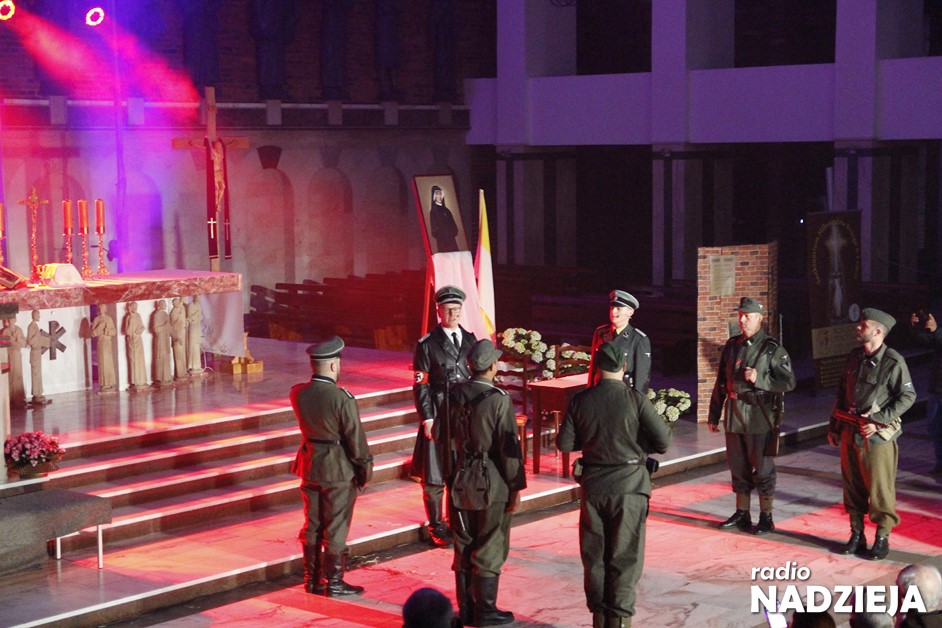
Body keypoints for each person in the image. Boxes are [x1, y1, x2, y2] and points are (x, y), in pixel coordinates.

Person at [557, 342, 672, 628]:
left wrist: (593, 440)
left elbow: (565, 444)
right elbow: (663, 442)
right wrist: (636, 442)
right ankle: (619, 621)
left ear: (597, 368)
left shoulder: (581, 400)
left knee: (595, 556)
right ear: (624, 367)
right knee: (624, 557)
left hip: (594, 486)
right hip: (630, 487)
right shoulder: (635, 400)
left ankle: (599, 618)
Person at [443, 339, 526, 627]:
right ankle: (485, 611)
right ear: (492, 367)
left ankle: (467, 609)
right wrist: (516, 486)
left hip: (459, 478)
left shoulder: (453, 394)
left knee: (463, 543)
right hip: (491, 480)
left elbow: (441, 436)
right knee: (490, 543)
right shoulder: (498, 399)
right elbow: (508, 449)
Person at [828, 308, 916, 560]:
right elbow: (841, 393)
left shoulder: (893, 361)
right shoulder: (854, 357)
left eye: (863, 325)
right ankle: (856, 534)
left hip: (876, 438)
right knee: (852, 486)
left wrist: (879, 420)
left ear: (877, 331)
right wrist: (834, 427)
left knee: (880, 489)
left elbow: (908, 396)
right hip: (850, 431)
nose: (858, 327)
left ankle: (882, 537)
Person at [290, 336, 372, 597]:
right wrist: (364, 470)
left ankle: (312, 580)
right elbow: (355, 439)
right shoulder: (341, 398)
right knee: (336, 527)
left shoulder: (298, 393)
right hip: (337, 469)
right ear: (334, 365)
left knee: (312, 524)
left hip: (310, 465)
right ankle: (334, 583)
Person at [708, 297, 796, 535]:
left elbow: (789, 382)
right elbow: (721, 381)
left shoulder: (772, 349)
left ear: (760, 318)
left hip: (759, 415)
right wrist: (714, 414)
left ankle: (766, 516)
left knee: (763, 468)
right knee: (738, 466)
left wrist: (760, 379)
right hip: (734, 413)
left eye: (748, 316)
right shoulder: (732, 345)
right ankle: (742, 512)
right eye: (740, 315)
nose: (742, 320)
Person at [411, 285, 476, 547]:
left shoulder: (470, 339)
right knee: (434, 474)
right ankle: (437, 525)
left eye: (457, 309)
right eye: (448, 309)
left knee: (461, 470)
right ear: (438, 311)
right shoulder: (427, 344)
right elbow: (421, 385)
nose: (453, 314)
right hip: (438, 412)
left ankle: (458, 521)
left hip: (463, 413)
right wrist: (427, 418)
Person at [587, 290, 651, 393]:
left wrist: (638, 399)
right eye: (611, 308)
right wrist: (589, 390)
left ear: (630, 312)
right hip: (599, 391)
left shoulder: (638, 339)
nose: (613, 312)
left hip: (623, 393)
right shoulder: (601, 332)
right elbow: (594, 367)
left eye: (618, 309)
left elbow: (642, 376)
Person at [911, 295, 942, 475]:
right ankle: (940, 463)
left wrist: (937, 330)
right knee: (934, 427)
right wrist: (915, 328)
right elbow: (928, 341)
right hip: (937, 387)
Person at [26, 310, 51, 405]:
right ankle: (36, 394)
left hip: (38, 352)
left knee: (38, 374)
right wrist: (37, 336)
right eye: (38, 315)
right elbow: (30, 341)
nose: (39, 317)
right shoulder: (31, 327)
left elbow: (38, 338)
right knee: (35, 374)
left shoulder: (35, 326)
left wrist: (45, 340)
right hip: (34, 353)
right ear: (34, 316)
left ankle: (39, 393)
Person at [90, 308, 117, 392]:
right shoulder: (97, 319)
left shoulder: (109, 319)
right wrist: (99, 328)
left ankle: (110, 383)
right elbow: (92, 333)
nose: (101, 310)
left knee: (109, 363)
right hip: (101, 343)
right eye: (100, 308)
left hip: (108, 343)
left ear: (105, 309)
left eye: (103, 308)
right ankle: (104, 384)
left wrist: (107, 331)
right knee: (102, 362)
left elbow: (114, 331)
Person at [1, 318, 27, 406]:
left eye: (13, 319)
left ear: (15, 320)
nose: (11, 321)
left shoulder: (19, 330)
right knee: (10, 376)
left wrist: (17, 338)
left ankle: (19, 398)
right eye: (9, 319)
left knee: (18, 376)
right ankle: (10, 398)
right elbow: (2, 345)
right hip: (9, 356)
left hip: (17, 355)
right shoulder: (5, 331)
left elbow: (24, 344)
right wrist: (9, 339)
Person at [124, 302, 148, 391]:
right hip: (131, 341)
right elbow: (126, 331)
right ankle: (135, 381)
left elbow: (142, 326)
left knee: (140, 360)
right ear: (130, 307)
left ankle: (142, 380)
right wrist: (131, 317)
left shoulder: (138, 316)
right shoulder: (128, 317)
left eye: (136, 307)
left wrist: (140, 330)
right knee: (133, 360)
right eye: (133, 307)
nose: (135, 308)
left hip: (138, 340)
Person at [429, 185, 460, 253]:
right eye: (437, 194)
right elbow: (434, 230)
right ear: (434, 196)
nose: (440, 196)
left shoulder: (447, 210)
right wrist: (442, 234)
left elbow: (454, 226)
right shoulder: (433, 211)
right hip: (442, 243)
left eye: (441, 194)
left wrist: (451, 233)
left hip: (452, 241)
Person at [152, 300, 172, 386]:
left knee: (166, 356)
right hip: (160, 339)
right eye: (164, 304)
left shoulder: (165, 314)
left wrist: (174, 336)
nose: (166, 306)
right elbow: (156, 329)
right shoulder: (156, 315)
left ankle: (166, 377)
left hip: (166, 338)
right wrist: (164, 326)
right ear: (160, 305)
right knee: (160, 357)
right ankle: (160, 378)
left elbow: (169, 327)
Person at [170, 297, 188, 382]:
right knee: (178, 355)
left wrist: (185, 322)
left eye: (178, 302)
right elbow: (172, 324)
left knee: (182, 354)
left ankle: (183, 372)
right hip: (177, 334)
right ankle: (179, 374)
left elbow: (182, 320)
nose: (177, 304)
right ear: (174, 304)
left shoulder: (181, 309)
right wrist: (175, 336)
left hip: (182, 333)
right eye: (175, 303)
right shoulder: (174, 311)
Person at [186, 295, 204, 374]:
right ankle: (192, 365)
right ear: (194, 298)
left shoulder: (198, 305)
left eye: (199, 298)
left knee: (197, 345)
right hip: (192, 327)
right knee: (192, 345)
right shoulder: (190, 306)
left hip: (197, 326)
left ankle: (197, 366)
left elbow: (200, 316)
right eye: (197, 298)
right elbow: (189, 318)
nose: (198, 299)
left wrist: (199, 316)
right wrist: (196, 314)